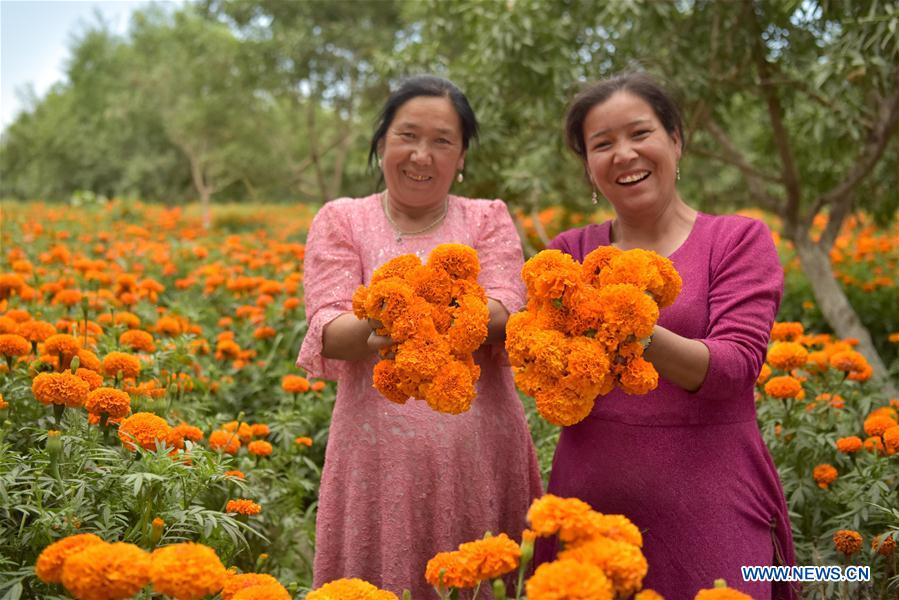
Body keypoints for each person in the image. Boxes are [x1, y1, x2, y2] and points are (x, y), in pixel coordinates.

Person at [534, 72, 798, 599]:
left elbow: (734, 367)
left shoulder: (736, 240)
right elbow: (544, 370)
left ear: (676, 141)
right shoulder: (568, 254)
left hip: (712, 506)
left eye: (640, 133)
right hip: (588, 509)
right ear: (588, 167)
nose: (624, 154)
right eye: (602, 144)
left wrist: (631, 328)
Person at [296, 75, 543, 599]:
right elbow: (329, 328)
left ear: (462, 156)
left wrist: (410, 308)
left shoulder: (487, 218)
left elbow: (506, 308)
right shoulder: (342, 220)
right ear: (382, 141)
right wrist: (413, 315)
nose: (421, 156)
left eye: (442, 141)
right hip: (376, 459)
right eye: (407, 136)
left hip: (478, 453)